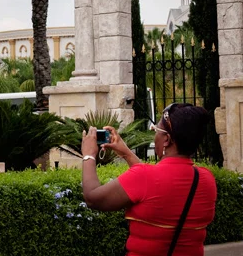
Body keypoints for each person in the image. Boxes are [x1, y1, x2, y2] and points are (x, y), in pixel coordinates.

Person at [80, 103, 217, 256]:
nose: (155, 135)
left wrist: (89, 155)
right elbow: (155, 184)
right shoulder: (206, 179)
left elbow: (93, 197)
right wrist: (126, 153)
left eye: (156, 130)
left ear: (166, 139)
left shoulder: (144, 177)